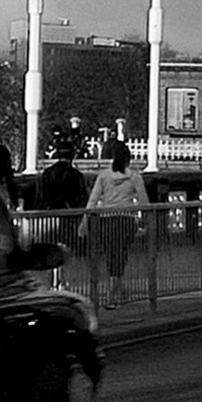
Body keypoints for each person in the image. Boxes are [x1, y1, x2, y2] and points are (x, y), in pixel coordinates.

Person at [83, 140, 147, 310]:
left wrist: (84, 221)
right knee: (121, 253)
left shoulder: (103, 176)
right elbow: (144, 202)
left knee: (111, 253)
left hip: (106, 219)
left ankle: (116, 290)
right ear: (129, 160)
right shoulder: (135, 177)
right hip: (126, 220)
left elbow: (93, 200)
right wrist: (144, 221)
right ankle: (115, 292)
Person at [36, 130, 89, 211]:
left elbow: (41, 196)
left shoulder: (47, 173)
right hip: (70, 215)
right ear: (72, 156)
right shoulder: (76, 175)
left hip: (49, 215)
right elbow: (83, 199)